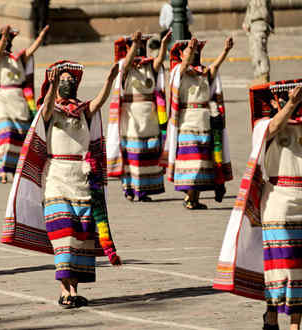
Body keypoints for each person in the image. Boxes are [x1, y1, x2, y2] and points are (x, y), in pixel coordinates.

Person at [214, 80, 302, 330]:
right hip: (277, 202)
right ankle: (272, 313)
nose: (301, 102)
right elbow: (274, 125)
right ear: (278, 102)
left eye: (301, 99)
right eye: (292, 98)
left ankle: (295, 324)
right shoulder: (264, 126)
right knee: (281, 265)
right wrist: (291, 105)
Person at [1, 60, 121, 308]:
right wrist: (52, 84)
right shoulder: (49, 111)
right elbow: (45, 107)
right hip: (56, 177)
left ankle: (73, 290)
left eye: (71, 80)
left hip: (82, 178)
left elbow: (99, 101)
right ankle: (64, 291)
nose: (68, 83)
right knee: (64, 233)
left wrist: (110, 80)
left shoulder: (84, 111)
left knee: (79, 236)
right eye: (63, 80)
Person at [0, 25, 49, 183]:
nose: (5, 42)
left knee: (19, 135)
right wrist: (5, 35)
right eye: (2, 40)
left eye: (7, 40)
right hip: (0, 98)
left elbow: (32, 50)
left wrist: (41, 37)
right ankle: (2, 170)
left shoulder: (19, 58)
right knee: (6, 134)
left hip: (19, 100)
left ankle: (15, 169)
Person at [165, 37, 234, 209]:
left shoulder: (204, 72)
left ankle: (193, 199)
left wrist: (226, 51)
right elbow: (184, 64)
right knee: (193, 161)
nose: (194, 53)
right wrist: (189, 48)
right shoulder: (177, 72)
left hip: (204, 123)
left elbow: (215, 67)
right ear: (181, 54)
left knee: (203, 161)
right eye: (190, 51)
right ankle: (189, 197)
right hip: (187, 121)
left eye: (196, 50)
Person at [107, 31, 171, 202]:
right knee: (131, 155)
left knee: (147, 153)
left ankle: (144, 190)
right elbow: (126, 64)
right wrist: (134, 45)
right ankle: (129, 189)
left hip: (149, 117)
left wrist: (164, 44)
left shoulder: (150, 65)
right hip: (131, 117)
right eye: (138, 45)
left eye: (143, 45)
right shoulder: (124, 65)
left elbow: (159, 60)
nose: (141, 48)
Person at [243, 0, 274, 85]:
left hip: (260, 23)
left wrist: (270, 24)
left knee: (260, 50)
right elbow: (250, 8)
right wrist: (246, 22)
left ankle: (264, 74)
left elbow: (268, 10)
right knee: (254, 51)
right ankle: (258, 76)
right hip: (253, 25)